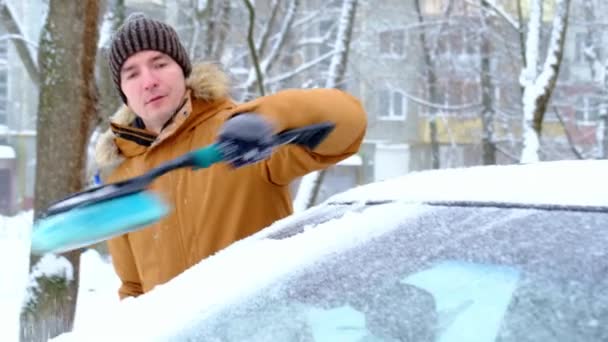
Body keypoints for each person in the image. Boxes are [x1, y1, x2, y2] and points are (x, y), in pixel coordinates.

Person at [95, 13, 367, 299]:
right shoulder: (123, 178)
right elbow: (134, 289)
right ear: (123, 91)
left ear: (182, 70)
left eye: (159, 64)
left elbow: (349, 123)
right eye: (132, 73)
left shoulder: (239, 135)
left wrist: (267, 119)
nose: (148, 81)